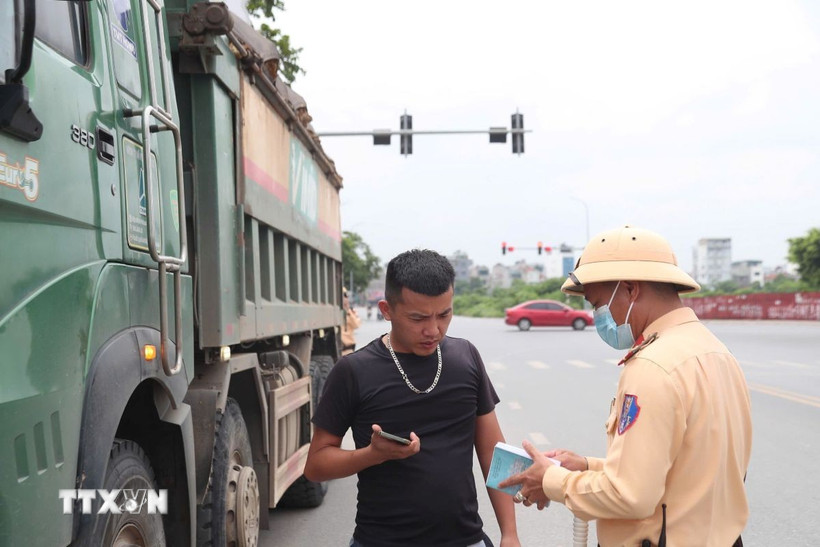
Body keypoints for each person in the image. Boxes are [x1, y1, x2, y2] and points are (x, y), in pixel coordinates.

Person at [500, 225, 752, 547]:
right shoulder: (715, 351)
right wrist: (588, 467)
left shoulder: (652, 366)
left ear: (631, 289)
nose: (597, 317)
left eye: (597, 304)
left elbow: (631, 496)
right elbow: (686, 472)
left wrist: (551, 479)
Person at [305, 249, 520, 547]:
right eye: (418, 318)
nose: (433, 330)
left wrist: (510, 534)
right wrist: (372, 455)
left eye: (444, 315)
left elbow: (493, 451)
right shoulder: (353, 371)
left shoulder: (465, 357)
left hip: (465, 540)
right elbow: (316, 465)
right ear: (386, 309)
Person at [341, 287, 361, 356]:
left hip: (347, 349)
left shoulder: (352, 312)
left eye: (345, 296)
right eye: (343, 296)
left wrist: (348, 311)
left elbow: (356, 325)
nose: (344, 299)